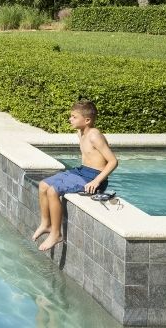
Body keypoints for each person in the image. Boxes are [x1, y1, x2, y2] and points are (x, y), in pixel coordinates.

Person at [32, 100, 118, 252]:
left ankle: (56, 234)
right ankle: (46, 224)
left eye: (73, 117)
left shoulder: (94, 135)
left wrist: (97, 181)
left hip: (93, 177)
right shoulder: (81, 132)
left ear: (87, 120)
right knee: (43, 185)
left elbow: (113, 161)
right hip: (82, 171)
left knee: (53, 191)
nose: (70, 119)